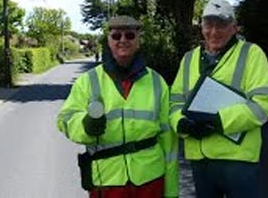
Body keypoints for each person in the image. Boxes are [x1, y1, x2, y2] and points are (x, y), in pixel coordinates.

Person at [57, 15, 179, 198]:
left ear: (139, 40)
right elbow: (65, 120)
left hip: (150, 179)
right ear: (108, 40)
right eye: (116, 36)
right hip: (106, 180)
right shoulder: (88, 81)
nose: (123, 40)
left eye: (130, 35)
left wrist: (171, 192)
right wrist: (85, 126)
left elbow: (168, 141)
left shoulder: (157, 82)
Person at [169, 0, 268, 198]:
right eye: (209, 25)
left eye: (222, 25)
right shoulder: (189, 58)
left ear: (234, 28)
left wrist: (219, 121)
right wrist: (182, 124)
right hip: (200, 161)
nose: (214, 32)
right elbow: (174, 102)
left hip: (238, 161)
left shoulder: (252, 54)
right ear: (201, 27)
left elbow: (264, 105)